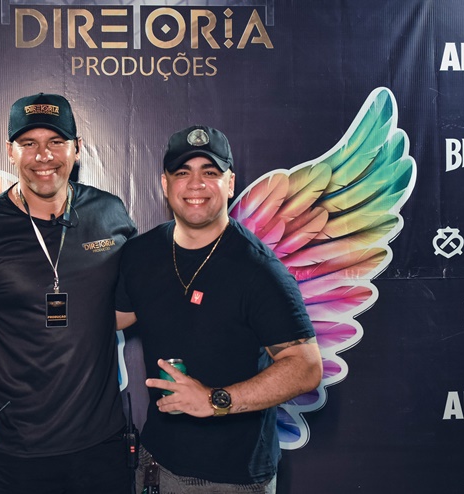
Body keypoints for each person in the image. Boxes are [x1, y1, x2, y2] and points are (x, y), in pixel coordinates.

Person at [0, 93, 137, 494]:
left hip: (101, 445)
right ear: (10, 151)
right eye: (29, 143)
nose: (44, 156)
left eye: (56, 141)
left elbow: (119, 312)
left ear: (77, 148)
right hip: (12, 451)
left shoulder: (110, 213)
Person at [116, 125, 323, 493]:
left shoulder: (258, 269)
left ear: (230, 184)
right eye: (183, 172)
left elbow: (305, 367)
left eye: (210, 172)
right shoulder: (140, 254)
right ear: (165, 184)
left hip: (232, 478)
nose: (196, 184)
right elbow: (115, 317)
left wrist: (216, 400)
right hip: (157, 464)